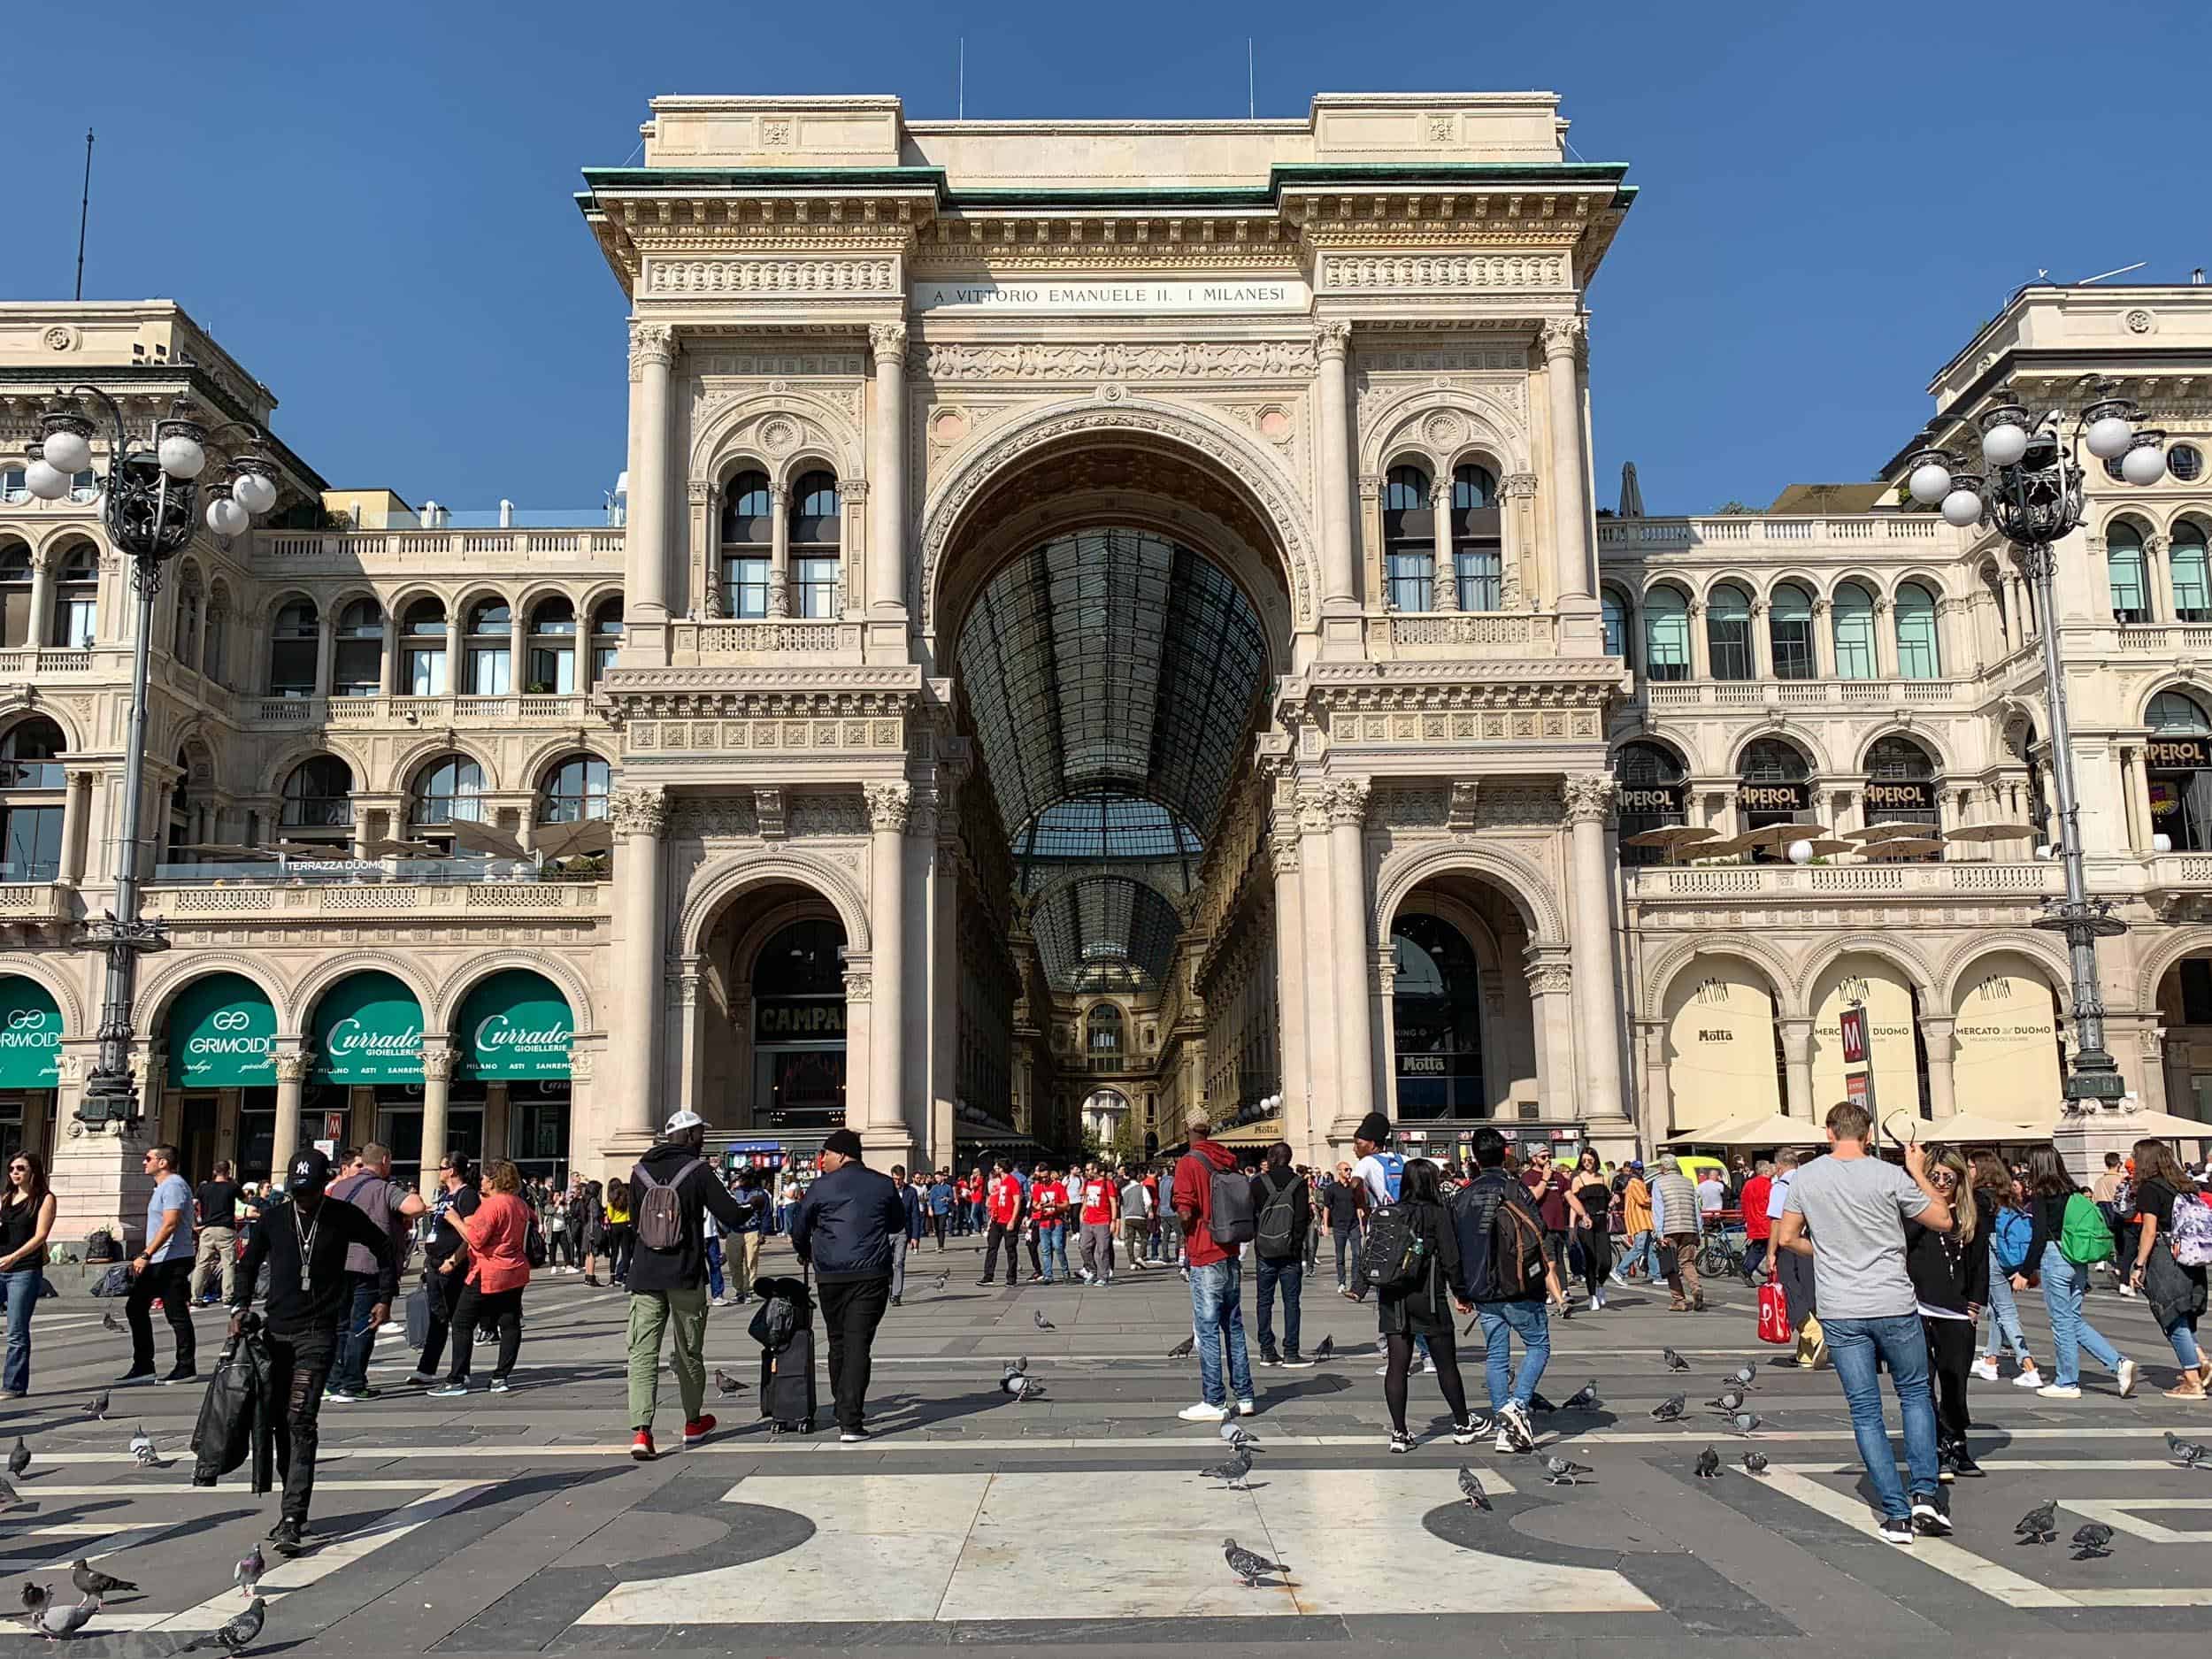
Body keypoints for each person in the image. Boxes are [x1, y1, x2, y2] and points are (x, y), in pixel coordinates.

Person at [1773, 1102, 1953, 1544]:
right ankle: (1925, 1494)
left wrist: (1830, 1254)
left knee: (1866, 1410)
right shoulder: (1888, 1175)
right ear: (1869, 1135)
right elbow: (1943, 1218)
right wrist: (1917, 1170)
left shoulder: (1806, 1177)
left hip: (1841, 1309)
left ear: (1829, 1132)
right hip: (1893, 1302)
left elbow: (1787, 1237)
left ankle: (1895, 1514)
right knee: (1914, 1395)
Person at [230, 1147, 397, 1555]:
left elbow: (384, 1246)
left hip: (318, 1334)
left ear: (324, 1187)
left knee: (300, 1420)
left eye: (309, 1192)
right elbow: (248, 1263)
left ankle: (292, 1517)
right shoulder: (273, 1219)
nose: (302, 1199)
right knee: (276, 1423)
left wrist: (384, 1296)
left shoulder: (340, 1215)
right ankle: (292, 1503)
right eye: (297, 1192)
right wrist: (240, 1305)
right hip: (276, 1334)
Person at [625, 1110, 756, 1460]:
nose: (703, 1139)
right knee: (688, 1352)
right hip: (685, 1273)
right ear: (690, 1136)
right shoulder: (698, 1171)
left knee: (642, 1352)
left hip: (646, 1275)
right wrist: (754, 1205)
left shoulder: (639, 1171)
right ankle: (693, 1422)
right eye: (701, 1133)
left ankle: (641, 1431)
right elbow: (730, 1213)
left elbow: (635, 1222)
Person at [790, 1127, 905, 1441]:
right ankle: (850, 1421)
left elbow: (798, 1228)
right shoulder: (883, 1184)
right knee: (857, 1344)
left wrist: (806, 1253)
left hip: (830, 1276)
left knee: (838, 1342)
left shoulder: (820, 1187)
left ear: (841, 1154)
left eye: (825, 1154)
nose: (821, 1160)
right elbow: (897, 1223)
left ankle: (844, 1410)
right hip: (871, 1275)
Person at [1455, 1125, 1556, 1453]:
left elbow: (1455, 1247)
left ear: (1474, 1157)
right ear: (1505, 1154)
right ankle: (1518, 1404)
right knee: (1538, 1345)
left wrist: (1461, 1290)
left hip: (1482, 1289)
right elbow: (1538, 1230)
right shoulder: (1516, 1189)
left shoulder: (1464, 1196)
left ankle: (1503, 1426)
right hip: (1521, 1285)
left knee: (1496, 1355)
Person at [2016, 1141, 2137, 1401]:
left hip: (2055, 1256)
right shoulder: (2071, 1192)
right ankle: (2118, 1363)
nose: (2025, 1169)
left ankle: (2067, 1381)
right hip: (2078, 1259)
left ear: (2037, 1166)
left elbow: (2038, 1237)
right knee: (2072, 1319)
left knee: (2061, 1323)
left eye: (2027, 1164)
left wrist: (2025, 1272)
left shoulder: (2041, 1195)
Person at [1906, 1148, 1986, 1481]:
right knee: (1921, 1382)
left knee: (1955, 1380)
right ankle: (1934, 1446)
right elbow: (1903, 1245)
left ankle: (1956, 1438)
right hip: (1917, 1306)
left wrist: (1975, 1303)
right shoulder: (1913, 1213)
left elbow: (1980, 1262)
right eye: (1934, 1176)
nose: (1940, 1183)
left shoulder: (1970, 1214)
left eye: (1947, 1178)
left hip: (1956, 1309)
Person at [322, 1144, 426, 1404]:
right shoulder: (383, 1188)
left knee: (338, 1326)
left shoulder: (338, 1187)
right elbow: (416, 1206)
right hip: (368, 1264)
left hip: (336, 1263)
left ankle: (333, 1382)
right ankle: (353, 1383)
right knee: (363, 1325)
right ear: (384, 1160)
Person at [1171, 1109, 1256, 1423]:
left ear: (1187, 1129)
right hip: (1231, 1250)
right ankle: (1245, 1396)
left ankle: (1215, 1400)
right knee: (1233, 1325)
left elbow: (1184, 1210)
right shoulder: (1227, 1158)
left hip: (1205, 1254)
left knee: (1206, 1329)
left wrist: (1187, 1234)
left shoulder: (1189, 1162)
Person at [430, 1159, 534, 1395]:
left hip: (488, 1270)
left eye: (485, 1178)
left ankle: (457, 1378)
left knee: (462, 1321)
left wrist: (455, 1220)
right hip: (515, 1269)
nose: (481, 1182)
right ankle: (501, 1377)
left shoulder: (492, 1206)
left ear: (493, 1180)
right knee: (509, 1322)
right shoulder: (519, 1204)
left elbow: (476, 1239)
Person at [2123, 1136, 2209, 1399]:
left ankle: (2192, 1381)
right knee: (2185, 1314)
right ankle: (2200, 1362)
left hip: (2165, 1255)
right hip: (2191, 1255)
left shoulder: (2150, 1188)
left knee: (2171, 1316)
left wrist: (2138, 1265)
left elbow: (2149, 1231)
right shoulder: (2184, 1184)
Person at [121, 1143, 198, 1386]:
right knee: (135, 1307)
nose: (144, 1162)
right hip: (160, 1258)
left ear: (163, 1162)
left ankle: (186, 1366)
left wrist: (146, 1253)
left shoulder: (173, 1185)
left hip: (171, 1258)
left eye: (148, 1158)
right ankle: (144, 1365)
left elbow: (170, 1223)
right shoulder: (162, 1187)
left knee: (175, 1312)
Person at [1968, 1150, 2042, 1389]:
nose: (1968, 1171)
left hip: (1990, 1253)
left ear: (1981, 1169)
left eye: (1971, 1166)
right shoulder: (2006, 1194)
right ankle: (1990, 1361)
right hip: (2010, 1253)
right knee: (1997, 1310)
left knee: (2005, 1311)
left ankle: (2028, 1366)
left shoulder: (1977, 1196)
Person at [410, 1153, 480, 1386]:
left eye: (441, 1168)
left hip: (452, 1265)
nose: (438, 1171)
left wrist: (454, 1259)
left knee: (458, 1320)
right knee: (437, 1317)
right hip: (435, 1263)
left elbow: (471, 1234)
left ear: (452, 1171)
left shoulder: (467, 1195)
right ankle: (427, 1368)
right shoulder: (444, 1195)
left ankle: (461, 1370)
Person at [0, 1150, 57, 1399]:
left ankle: (13, 1385)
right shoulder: (4, 1199)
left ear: (33, 1172)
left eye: (21, 1168)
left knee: (16, 1330)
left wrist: (14, 1257)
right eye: (12, 1168)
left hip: (23, 1270)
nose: (15, 1173)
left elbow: (41, 1236)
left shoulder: (44, 1199)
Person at [1252, 1142, 1312, 1369]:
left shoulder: (1258, 1182)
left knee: (1264, 1301)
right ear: (1289, 1158)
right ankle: (1291, 1352)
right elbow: (1301, 1219)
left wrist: (1259, 1242)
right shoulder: (1299, 1183)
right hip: (1290, 1253)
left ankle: (1267, 1351)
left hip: (1265, 1251)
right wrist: (1295, 1247)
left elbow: (1252, 1215)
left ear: (1271, 1158)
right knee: (1291, 1302)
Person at [1649, 1154, 1704, 1313]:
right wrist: (1698, 1230)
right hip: (1689, 1228)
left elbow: (1659, 1209)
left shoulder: (1658, 1183)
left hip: (1669, 1229)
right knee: (1687, 1262)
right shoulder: (1688, 1182)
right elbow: (1696, 1208)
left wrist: (1658, 1234)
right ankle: (1696, 1287)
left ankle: (1679, 1300)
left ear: (1662, 1168)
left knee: (1671, 1265)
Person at [1568, 1150, 1613, 1310]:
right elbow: (1574, 1205)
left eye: (1590, 1159)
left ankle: (1600, 1283)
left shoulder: (1604, 1178)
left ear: (1595, 1160)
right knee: (1591, 1259)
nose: (1587, 1163)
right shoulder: (1577, 1180)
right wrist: (1572, 1227)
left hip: (1601, 1222)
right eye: (1584, 1160)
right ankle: (1592, 1294)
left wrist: (1613, 1201)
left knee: (1606, 1261)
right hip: (1585, 1223)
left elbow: (1608, 1200)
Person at [193, 1160, 242, 1306]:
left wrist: (195, 1225)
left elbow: (192, 1204)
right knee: (228, 1264)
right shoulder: (232, 1187)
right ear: (228, 1172)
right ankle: (228, 1297)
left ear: (214, 1172)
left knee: (202, 1264)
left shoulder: (204, 1188)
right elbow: (245, 1198)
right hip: (226, 1228)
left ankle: (196, 1298)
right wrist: (233, 1181)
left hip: (207, 1229)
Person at [979, 1160, 1024, 1287]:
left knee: (1010, 1249)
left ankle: (1011, 1278)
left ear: (1002, 1168)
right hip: (996, 1219)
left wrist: (1013, 1220)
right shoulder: (998, 1181)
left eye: (997, 1167)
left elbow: (1017, 1202)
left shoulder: (1012, 1181)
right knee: (992, 1247)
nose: (994, 1168)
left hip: (1008, 1219)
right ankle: (988, 1276)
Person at [888, 1164, 927, 1307]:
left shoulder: (910, 1192)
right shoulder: (887, 1190)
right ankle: (889, 1286)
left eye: (899, 1179)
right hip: (886, 1232)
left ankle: (896, 1294)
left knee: (899, 1262)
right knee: (885, 1263)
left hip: (902, 1232)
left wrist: (915, 1237)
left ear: (904, 1178)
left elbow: (915, 1215)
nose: (897, 1182)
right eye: (894, 1179)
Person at [1613, 1161, 1657, 1286]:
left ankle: (1657, 1276)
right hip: (1640, 1220)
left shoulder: (1635, 1182)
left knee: (1650, 1248)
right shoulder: (1635, 1183)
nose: (1640, 1171)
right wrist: (1656, 1199)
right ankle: (1620, 1271)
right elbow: (1642, 1200)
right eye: (1638, 1169)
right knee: (1639, 1247)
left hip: (1643, 1219)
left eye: (1641, 1168)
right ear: (1633, 1170)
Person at [726, 1171, 768, 1302]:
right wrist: (724, 1229)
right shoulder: (734, 1192)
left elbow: (766, 1213)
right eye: (742, 1178)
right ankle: (738, 1291)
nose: (743, 1180)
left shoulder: (760, 1193)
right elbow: (725, 1210)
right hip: (735, 1230)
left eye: (746, 1178)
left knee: (751, 1262)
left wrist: (763, 1232)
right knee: (734, 1262)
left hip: (752, 1230)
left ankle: (749, 1290)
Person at [1323, 1161, 1363, 1297]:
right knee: (1340, 1256)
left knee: (1357, 1254)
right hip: (1339, 1226)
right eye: (1346, 1169)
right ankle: (1342, 1282)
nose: (1349, 1172)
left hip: (1354, 1225)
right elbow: (1327, 1207)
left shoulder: (1354, 1187)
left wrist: (1362, 1226)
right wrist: (1325, 1226)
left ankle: (1355, 1283)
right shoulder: (1331, 1188)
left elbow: (1358, 1207)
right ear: (1339, 1171)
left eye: (1350, 1169)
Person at [1078, 1160, 1119, 1286]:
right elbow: (1086, 1198)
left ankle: (1103, 1276)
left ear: (1095, 1170)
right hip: (1088, 1220)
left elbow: (1113, 1202)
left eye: (1088, 1169)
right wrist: (1082, 1212)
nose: (1086, 1172)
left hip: (1103, 1220)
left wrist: (1113, 1220)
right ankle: (1092, 1270)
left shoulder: (1107, 1183)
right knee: (1083, 1247)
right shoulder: (1088, 1183)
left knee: (1102, 1250)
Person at [1031, 1164, 1070, 1284]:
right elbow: (1034, 1204)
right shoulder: (1037, 1187)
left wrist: (1055, 1205)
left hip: (1056, 1221)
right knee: (1045, 1250)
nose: (1044, 1179)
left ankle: (1065, 1272)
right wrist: (1039, 1207)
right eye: (1041, 1177)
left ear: (1050, 1174)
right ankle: (1048, 1275)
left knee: (1058, 1247)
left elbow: (1066, 1204)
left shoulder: (1058, 1186)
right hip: (1043, 1222)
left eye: (1046, 1177)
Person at [1740, 1160, 1775, 1285]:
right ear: (1765, 1171)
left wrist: (1745, 1217)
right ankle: (1747, 1269)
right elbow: (1773, 1204)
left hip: (1752, 1221)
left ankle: (1746, 1268)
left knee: (1758, 1247)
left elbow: (1743, 1202)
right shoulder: (1768, 1186)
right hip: (1765, 1222)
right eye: (1770, 1170)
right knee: (1764, 1249)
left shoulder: (1748, 1184)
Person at [603, 1179, 634, 1286]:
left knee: (614, 1253)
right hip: (625, 1225)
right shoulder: (626, 1198)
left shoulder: (611, 1200)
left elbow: (610, 1216)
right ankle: (625, 1277)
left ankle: (612, 1278)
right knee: (625, 1252)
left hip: (614, 1226)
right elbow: (630, 1213)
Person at [1119, 1166, 1153, 1267]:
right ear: (1138, 1176)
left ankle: (1132, 1262)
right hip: (1140, 1216)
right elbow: (1148, 1202)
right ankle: (1140, 1256)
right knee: (1144, 1237)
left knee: (1130, 1240)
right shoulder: (1142, 1188)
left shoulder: (1124, 1190)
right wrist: (1147, 1211)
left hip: (1128, 1216)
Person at [578, 1179, 605, 1286]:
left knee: (588, 1254)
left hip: (587, 1228)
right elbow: (595, 1215)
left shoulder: (585, 1199)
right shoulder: (593, 1200)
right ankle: (591, 1277)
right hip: (592, 1229)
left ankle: (588, 1277)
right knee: (593, 1254)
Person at [926, 1171, 954, 1250]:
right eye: (936, 1178)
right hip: (935, 1209)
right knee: (937, 1228)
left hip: (944, 1209)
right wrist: (930, 1209)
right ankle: (939, 1243)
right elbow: (931, 1199)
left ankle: (941, 1246)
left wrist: (947, 1199)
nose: (937, 1179)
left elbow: (951, 1198)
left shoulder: (948, 1187)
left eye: (938, 1177)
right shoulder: (934, 1187)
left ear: (942, 1177)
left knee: (941, 1227)